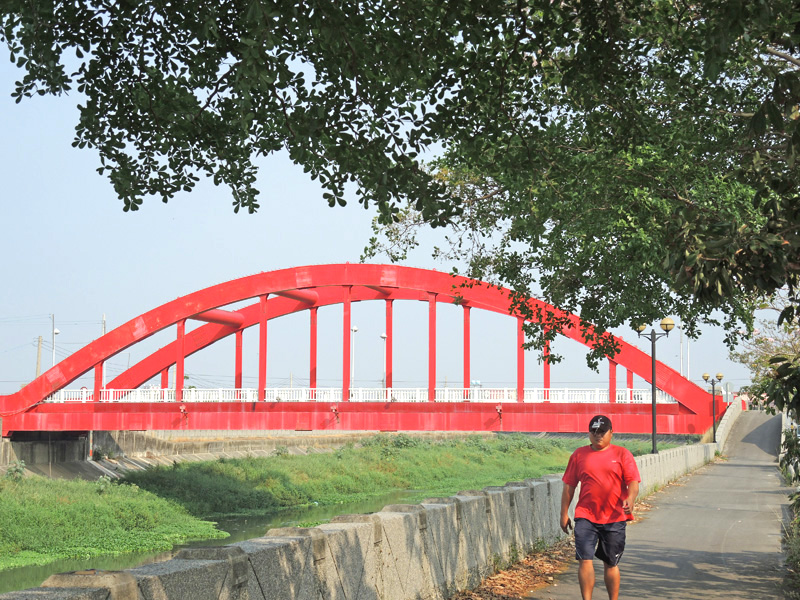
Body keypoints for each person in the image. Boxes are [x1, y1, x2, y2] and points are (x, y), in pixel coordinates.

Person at [560, 415, 641, 600]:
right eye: (594, 432)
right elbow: (569, 486)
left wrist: (630, 498)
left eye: (602, 432)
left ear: (612, 433)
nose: (598, 436)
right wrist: (564, 513)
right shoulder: (579, 455)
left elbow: (633, 482)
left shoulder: (622, 454)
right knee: (584, 559)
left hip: (614, 517)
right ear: (589, 433)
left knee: (610, 562)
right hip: (585, 516)